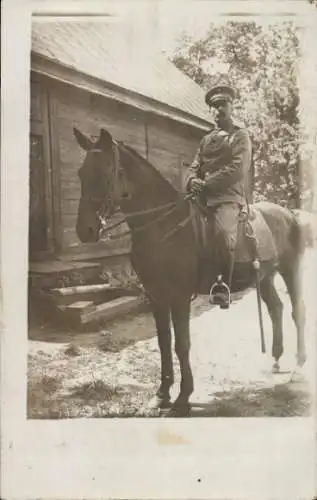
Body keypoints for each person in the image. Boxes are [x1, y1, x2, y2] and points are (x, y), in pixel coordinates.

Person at [185, 79, 252, 308]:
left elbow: (237, 169)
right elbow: (194, 165)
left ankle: (223, 284)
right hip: (202, 197)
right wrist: (192, 179)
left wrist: (206, 183)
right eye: (214, 106)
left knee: (224, 234)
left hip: (227, 197)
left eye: (223, 104)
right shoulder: (206, 140)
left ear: (231, 106)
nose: (218, 110)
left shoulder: (240, 136)